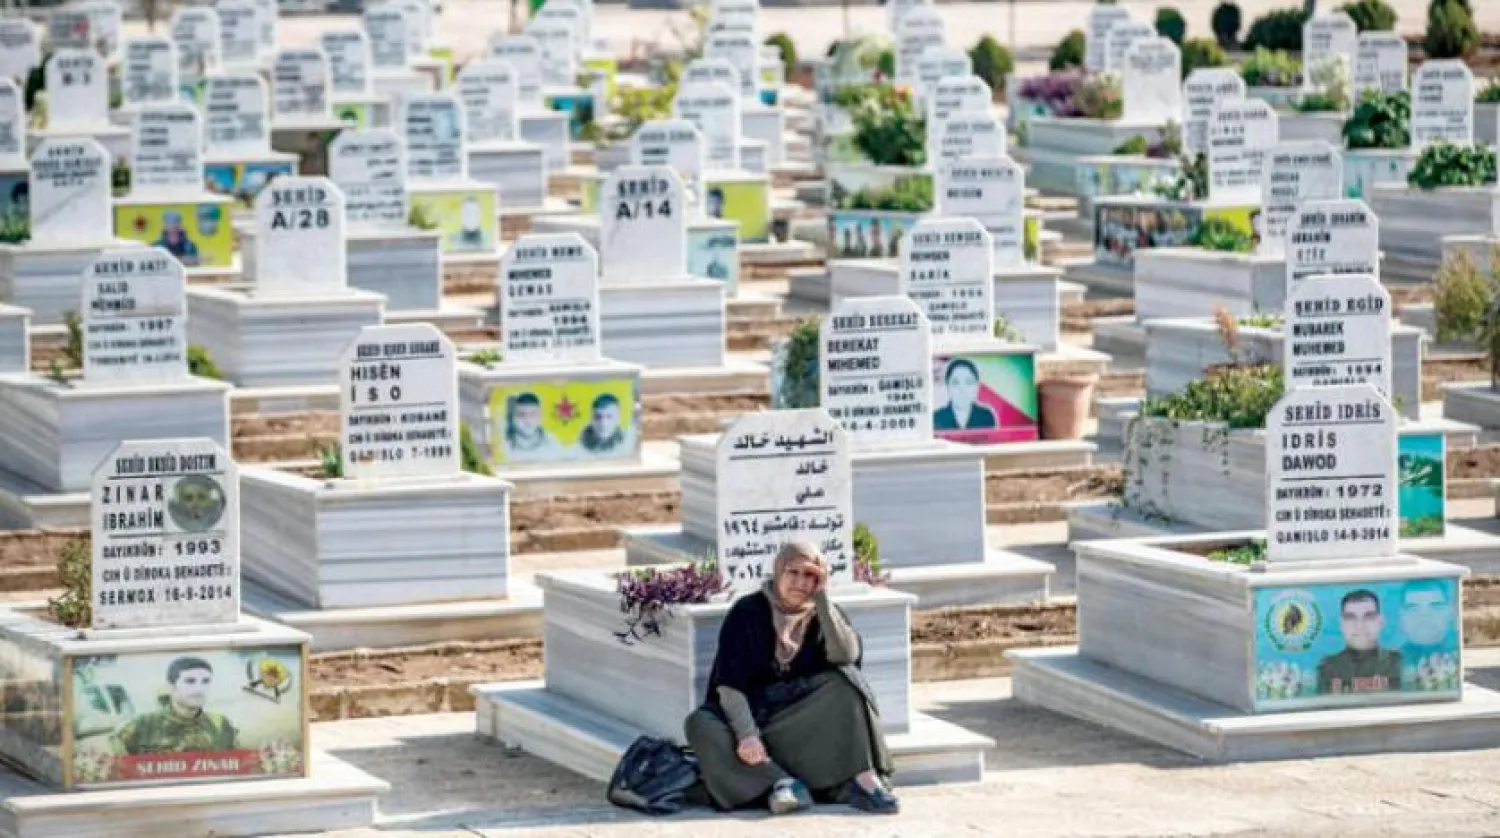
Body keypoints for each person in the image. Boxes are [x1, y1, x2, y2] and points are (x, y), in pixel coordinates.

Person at [684, 543, 898, 815]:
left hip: (798, 728)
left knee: (846, 682)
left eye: (809, 575)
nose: (800, 582)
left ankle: (863, 779)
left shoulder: (825, 614)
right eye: (792, 572)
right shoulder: (747, 612)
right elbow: (729, 685)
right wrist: (747, 735)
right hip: (754, 724)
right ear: (777, 572)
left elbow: (846, 655)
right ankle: (782, 783)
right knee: (700, 724)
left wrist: (821, 599)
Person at [110, 656, 238, 755]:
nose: (199, 689)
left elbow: (239, 764)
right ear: (171, 687)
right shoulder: (142, 724)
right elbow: (113, 766)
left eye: (206, 681)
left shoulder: (220, 724)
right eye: (190, 681)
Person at [1317, 589, 1402, 695]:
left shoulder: (1399, 664)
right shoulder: (1327, 668)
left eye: (1369, 617)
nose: (1360, 626)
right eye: (1351, 618)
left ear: (1381, 622)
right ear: (1341, 624)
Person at [934, 359, 998, 431]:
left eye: (969, 382)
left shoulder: (986, 416)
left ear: (977, 386)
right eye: (955, 382)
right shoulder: (936, 417)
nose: (962, 389)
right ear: (947, 386)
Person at [505, 392, 562, 460]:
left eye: (533, 414)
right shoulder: (505, 445)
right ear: (514, 417)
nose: (527, 420)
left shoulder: (552, 444)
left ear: (540, 416)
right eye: (522, 415)